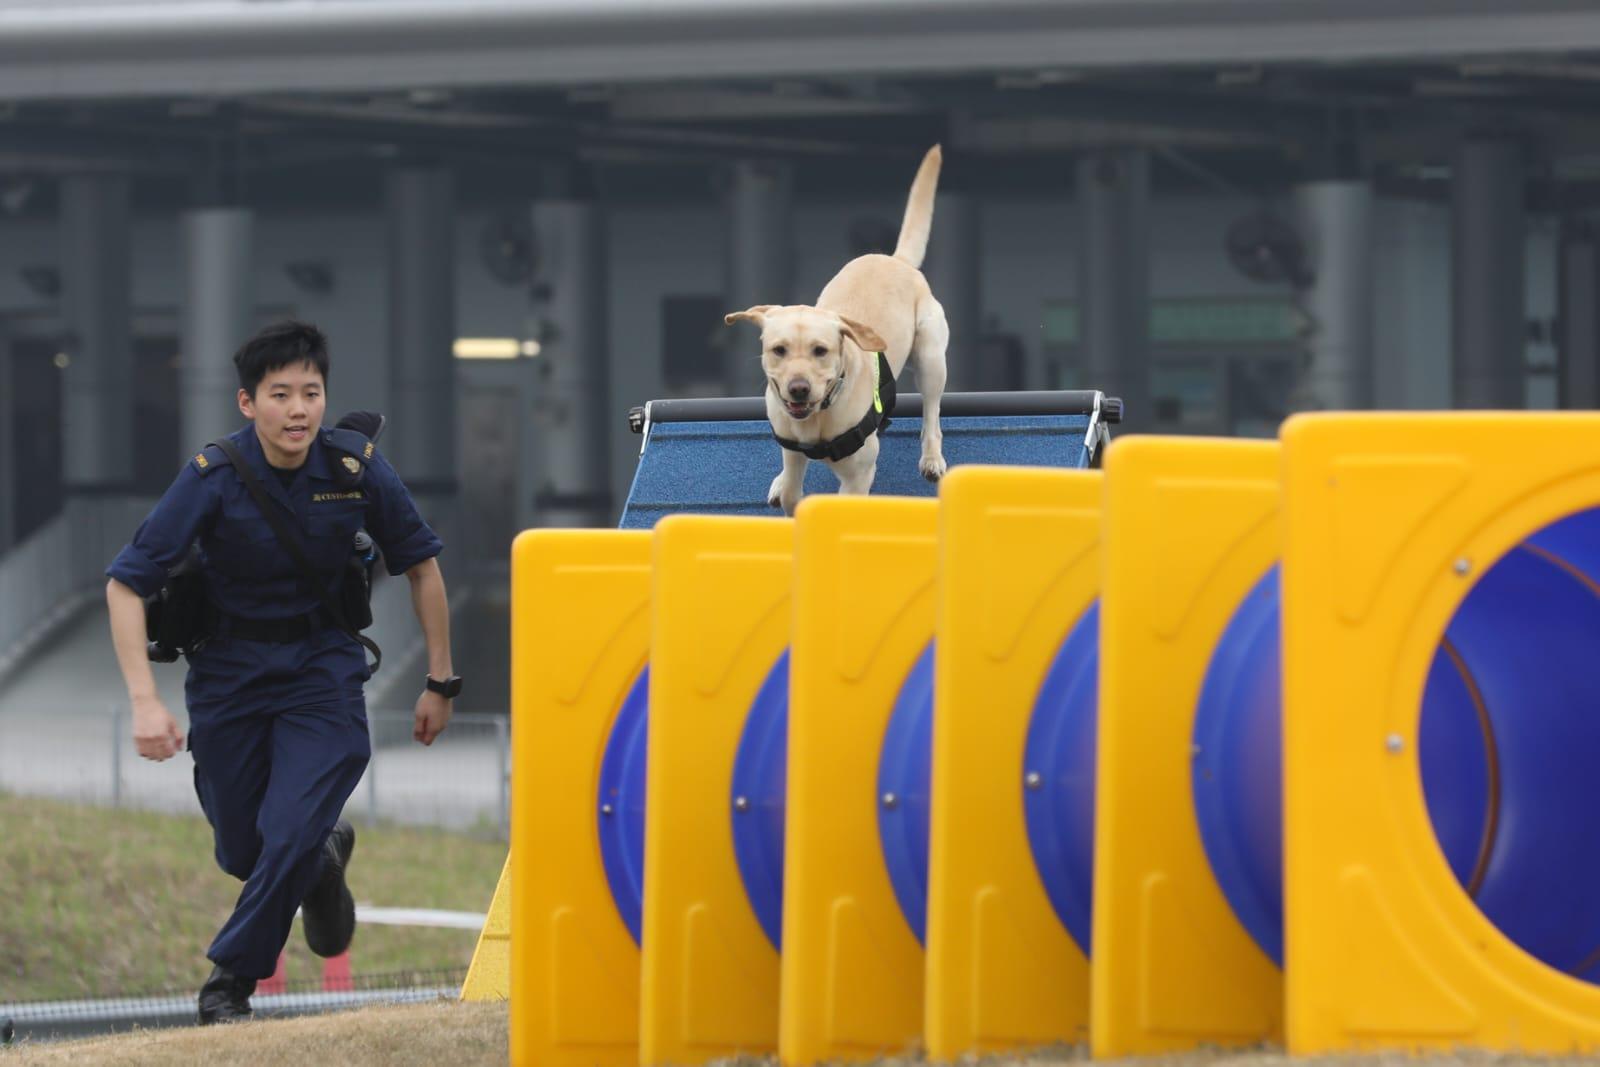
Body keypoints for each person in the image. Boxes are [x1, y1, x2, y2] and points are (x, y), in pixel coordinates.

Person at [104, 320, 463, 1024]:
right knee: (246, 850)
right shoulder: (213, 475)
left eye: (311, 392)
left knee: (289, 830)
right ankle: (323, 865)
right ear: (248, 402)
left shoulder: (355, 469)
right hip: (228, 675)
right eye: (280, 394)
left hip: (322, 673)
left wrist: (440, 682)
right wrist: (144, 701)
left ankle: (228, 984)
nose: (298, 410)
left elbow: (421, 566)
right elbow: (125, 585)